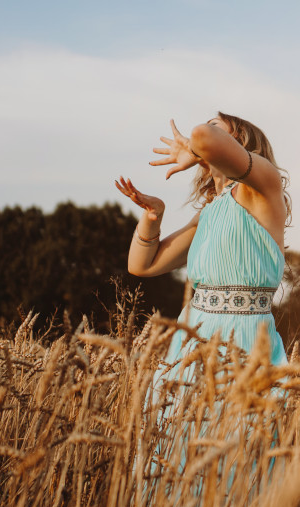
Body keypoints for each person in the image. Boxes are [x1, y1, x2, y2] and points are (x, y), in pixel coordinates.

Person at [114, 112, 290, 378]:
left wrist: (198, 151)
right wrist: (154, 217)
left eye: (216, 126)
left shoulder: (263, 186)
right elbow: (141, 266)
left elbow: (202, 137)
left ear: (239, 139)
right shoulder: (208, 213)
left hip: (245, 342)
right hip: (192, 340)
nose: (195, 138)